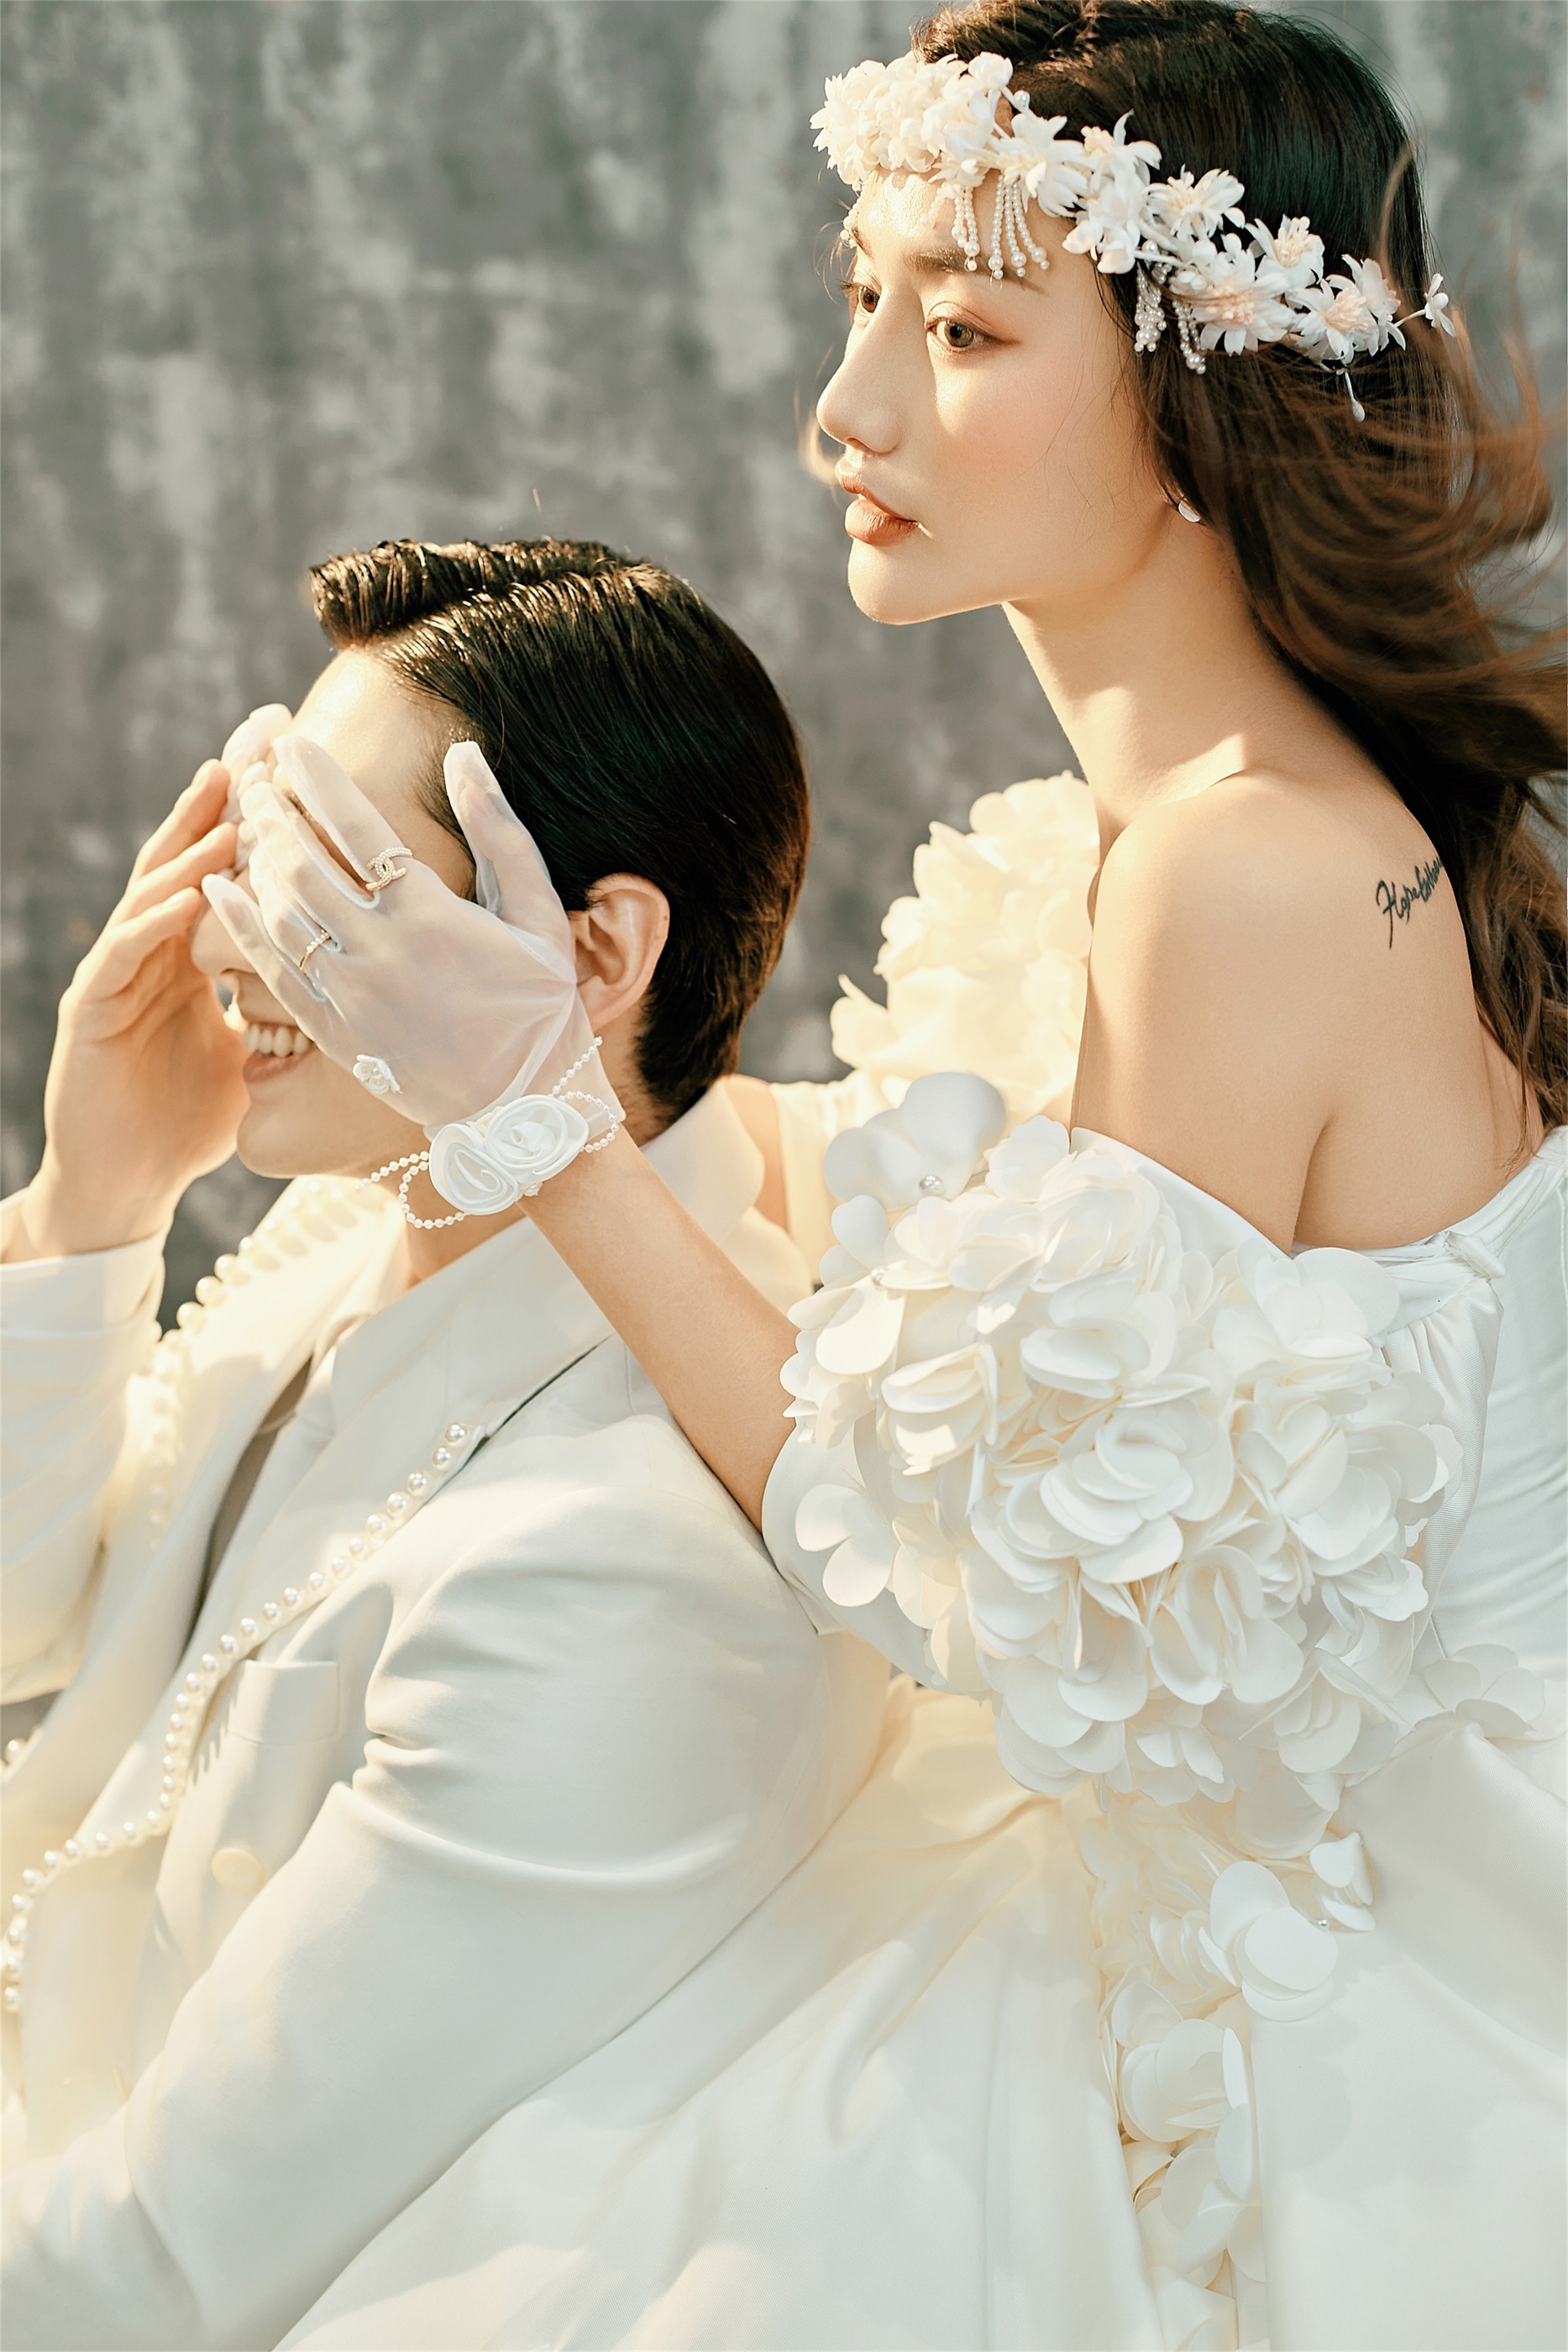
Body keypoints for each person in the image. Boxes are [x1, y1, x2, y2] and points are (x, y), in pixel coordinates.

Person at [225, 6, 1566, 2349]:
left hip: (1336, 1965)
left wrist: (541, 1116)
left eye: (960, 330)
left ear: (1206, 394)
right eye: (863, 299)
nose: (843, 410)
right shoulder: (1177, 828)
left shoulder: (1241, 873)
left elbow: (999, 1604)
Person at [0, 538, 910, 2348]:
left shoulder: (619, 1579)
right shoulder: (353, 1237)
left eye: (330, 880)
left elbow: (172, 2258)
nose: (230, 936)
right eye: (249, 852)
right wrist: (92, 1205)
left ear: (594, 952)